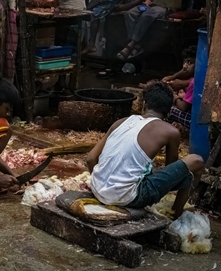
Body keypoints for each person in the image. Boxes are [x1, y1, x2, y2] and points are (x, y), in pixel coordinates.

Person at [87, 82, 204, 218]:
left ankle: (111, 191)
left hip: (96, 190)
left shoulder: (121, 122)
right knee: (197, 161)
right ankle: (176, 212)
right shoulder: (170, 131)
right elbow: (172, 170)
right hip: (128, 197)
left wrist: (103, 185)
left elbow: (90, 159)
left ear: (144, 105)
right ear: (169, 110)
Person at [117, 0, 190, 60]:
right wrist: (147, 2)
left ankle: (132, 43)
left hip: (167, 7)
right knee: (131, 13)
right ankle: (138, 45)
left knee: (147, 15)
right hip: (153, 5)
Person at [83, 0, 149, 54]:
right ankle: (91, 44)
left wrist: (127, 6)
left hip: (137, 3)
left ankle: (109, 1)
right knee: (96, 11)